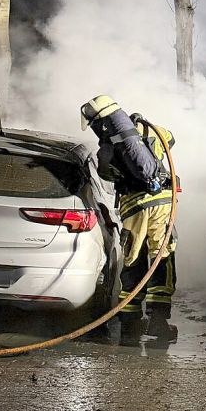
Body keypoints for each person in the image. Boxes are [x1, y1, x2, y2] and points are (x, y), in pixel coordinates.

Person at [81, 95, 178, 346]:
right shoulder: (147, 129)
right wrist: (143, 128)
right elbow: (171, 139)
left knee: (133, 258)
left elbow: (106, 173)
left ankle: (130, 323)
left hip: (134, 207)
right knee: (162, 255)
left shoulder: (107, 146)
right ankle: (158, 321)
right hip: (162, 203)